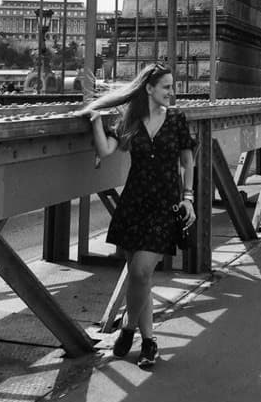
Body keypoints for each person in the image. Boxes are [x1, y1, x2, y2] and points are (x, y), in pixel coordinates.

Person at [76, 62, 197, 369]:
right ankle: (149, 342)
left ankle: (128, 329)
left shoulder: (177, 119)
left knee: (141, 271)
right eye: (167, 87)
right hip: (134, 205)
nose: (172, 92)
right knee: (139, 278)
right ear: (149, 89)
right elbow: (105, 151)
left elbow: (188, 160)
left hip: (164, 206)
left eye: (172, 86)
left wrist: (189, 197)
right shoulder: (131, 120)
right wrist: (95, 120)